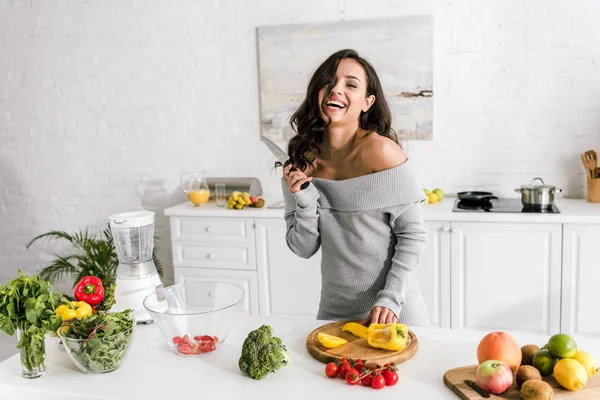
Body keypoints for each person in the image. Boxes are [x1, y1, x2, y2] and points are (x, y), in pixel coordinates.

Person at [281, 49, 430, 327]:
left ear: (367, 102)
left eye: (350, 84)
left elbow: (412, 235)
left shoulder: (383, 152)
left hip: (393, 312)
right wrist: (304, 200)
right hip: (333, 312)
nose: (336, 90)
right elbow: (303, 248)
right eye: (328, 82)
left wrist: (390, 299)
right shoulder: (300, 162)